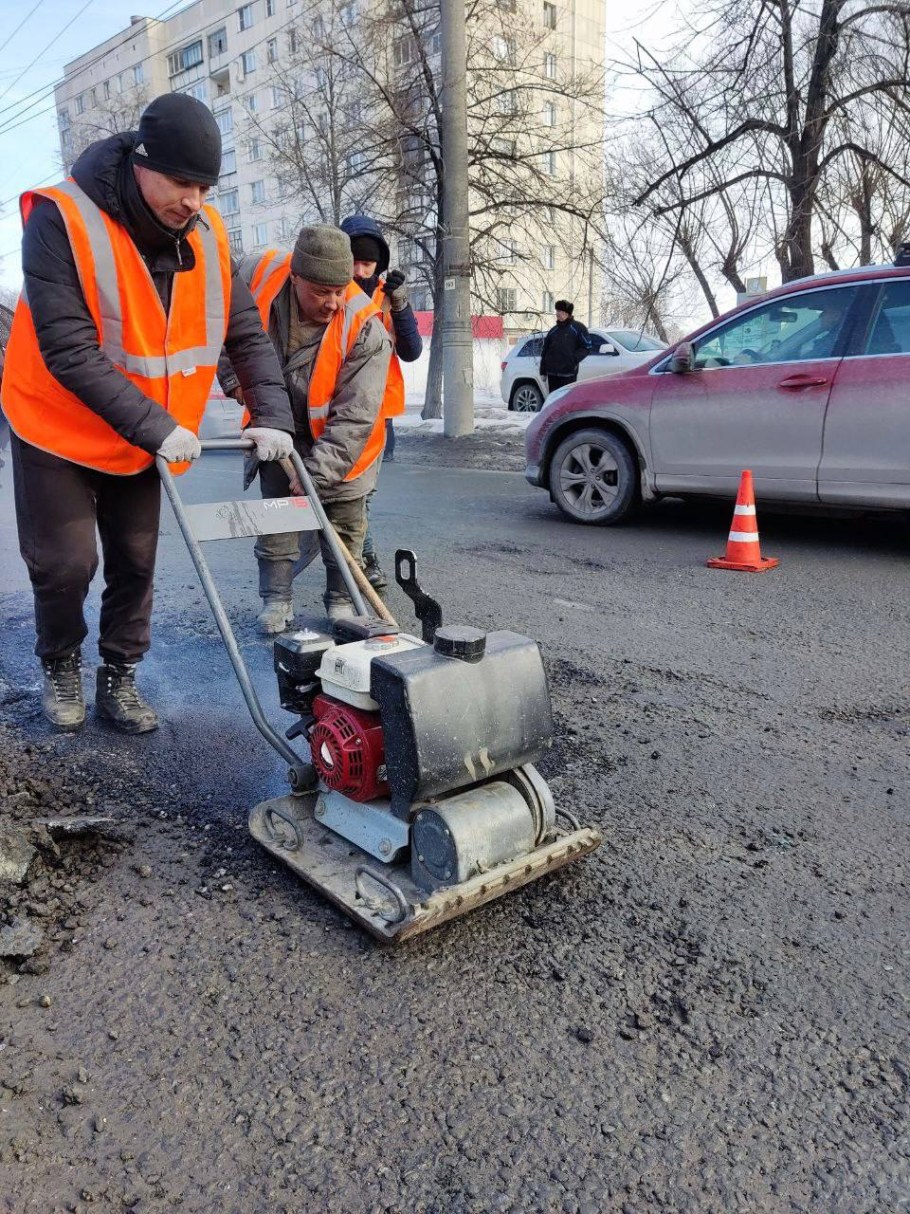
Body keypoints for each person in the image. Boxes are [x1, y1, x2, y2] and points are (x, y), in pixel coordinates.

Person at [1, 93, 295, 734]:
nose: (194, 201)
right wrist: (160, 427)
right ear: (141, 162)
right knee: (66, 564)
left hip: (139, 435)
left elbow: (245, 333)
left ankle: (120, 674)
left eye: (205, 188)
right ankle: (60, 661)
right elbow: (68, 349)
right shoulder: (61, 219)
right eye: (181, 183)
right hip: (57, 426)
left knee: (136, 561)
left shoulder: (206, 234)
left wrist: (272, 414)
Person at [220, 225, 392, 633]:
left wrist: (315, 473)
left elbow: (355, 417)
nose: (333, 302)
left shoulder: (365, 327)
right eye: (320, 292)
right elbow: (223, 326)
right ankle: (276, 601)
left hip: (347, 444)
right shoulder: (257, 277)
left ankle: (341, 603)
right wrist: (234, 379)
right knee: (277, 521)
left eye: (339, 291)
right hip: (279, 429)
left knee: (344, 527)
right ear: (295, 276)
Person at [340, 214, 422, 590]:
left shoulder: (387, 298)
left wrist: (401, 306)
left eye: (367, 263)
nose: (360, 271)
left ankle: (360, 557)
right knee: (352, 490)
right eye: (354, 261)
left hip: (379, 410)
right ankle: (359, 559)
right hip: (341, 408)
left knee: (363, 491)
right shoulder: (333, 293)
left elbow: (411, 351)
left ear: (379, 263)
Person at [539, 299, 591, 394]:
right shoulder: (553, 331)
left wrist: (573, 359)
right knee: (554, 399)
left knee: (566, 398)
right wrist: (543, 370)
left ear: (567, 313)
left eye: (560, 311)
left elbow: (587, 347)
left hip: (568, 373)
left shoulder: (577, 328)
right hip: (552, 374)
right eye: (557, 311)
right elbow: (545, 351)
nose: (557, 314)